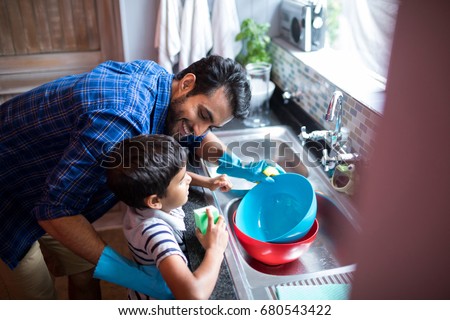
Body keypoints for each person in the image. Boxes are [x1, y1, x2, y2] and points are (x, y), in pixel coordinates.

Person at [0, 55, 283, 299]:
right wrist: (133, 276)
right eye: (203, 114)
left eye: (212, 123)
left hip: (53, 184)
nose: (200, 130)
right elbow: (53, 211)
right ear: (187, 84)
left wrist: (237, 164)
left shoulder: (163, 84)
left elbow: (197, 138)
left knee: (84, 271)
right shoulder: (120, 120)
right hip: (10, 194)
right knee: (38, 298)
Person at [106, 134, 230, 299]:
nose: (188, 179)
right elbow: (193, 296)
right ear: (155, 201)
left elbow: (172, 177)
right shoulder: (155, 232)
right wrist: (216, 249)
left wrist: (207, 182)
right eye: (181, 181)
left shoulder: (140, 200)